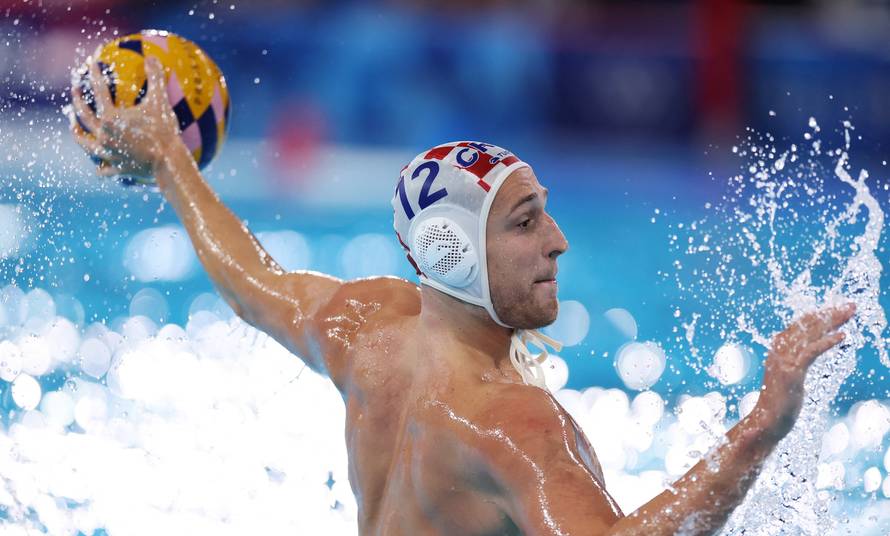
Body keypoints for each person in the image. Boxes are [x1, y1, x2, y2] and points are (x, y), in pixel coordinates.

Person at [70, 56, 857, 535]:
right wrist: (763, 424)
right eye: (525, 222)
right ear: (453, 252)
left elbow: (254, 285)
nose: (559, 241)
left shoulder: (368, 330)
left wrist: (170, 162)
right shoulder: (515, 423)